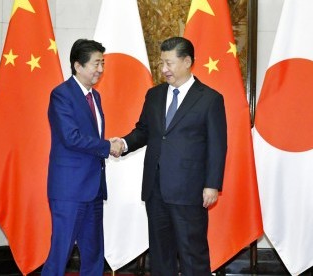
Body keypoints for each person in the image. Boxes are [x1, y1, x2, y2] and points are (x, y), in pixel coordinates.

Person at [116, 37, 227, 275]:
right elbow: (144, 131)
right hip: (155, 190)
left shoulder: (210, 99)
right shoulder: (154, 95)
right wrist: (124, 143)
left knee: (192, 254)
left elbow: (218, 145)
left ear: (187, 62)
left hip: (189, 191)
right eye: (161, 62)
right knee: (160, 254)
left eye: (169, 63)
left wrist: (212, 185)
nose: (163, 69)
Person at [42, 39, 123, 276]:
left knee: (94, 253)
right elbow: (71, 137)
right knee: (61, 253)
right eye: (96, 64)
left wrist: (108, 145)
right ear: (78, 66)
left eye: (103, 63)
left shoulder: (94, 97)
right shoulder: (61, 94)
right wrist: (108, 146)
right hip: (69, 190)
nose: (100, 69)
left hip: (93, 188)